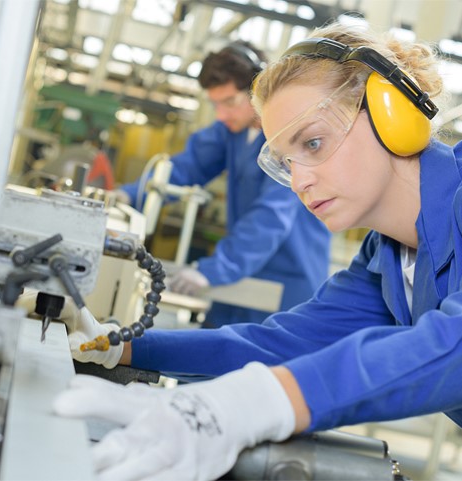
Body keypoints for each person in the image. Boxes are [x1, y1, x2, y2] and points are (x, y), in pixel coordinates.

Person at [50, 21, 462, 481]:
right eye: (287, 163)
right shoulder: (383, 259)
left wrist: (252, 404)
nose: (301, 181)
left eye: (313, 143)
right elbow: (277, 345)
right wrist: (121, 348)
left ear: (394, 112)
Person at [117, 41, 331, 326]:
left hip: (285, 283)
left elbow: (270, 218)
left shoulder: (290, 140)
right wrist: (127, 196)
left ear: (259, 90)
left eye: (229, 102)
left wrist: (215, 270)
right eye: (215, 104)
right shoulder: (231, 133)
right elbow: (187, 166)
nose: (221, 114)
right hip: (238, 272)